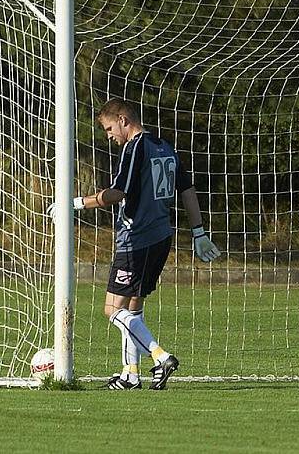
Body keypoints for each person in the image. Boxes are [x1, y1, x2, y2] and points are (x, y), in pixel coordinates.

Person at [48, 98, 221, 389]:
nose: (109, 135)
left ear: (124, 121)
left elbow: (118, 193)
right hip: (161, 238)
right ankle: (130, 374)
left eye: (109, 128)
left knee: (112, 309)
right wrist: (199, 233)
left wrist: (75, 203)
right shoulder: (165, 147)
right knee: (133, 306)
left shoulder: (135, 147)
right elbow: (188, 190)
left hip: (135, 240)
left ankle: (160, 355)